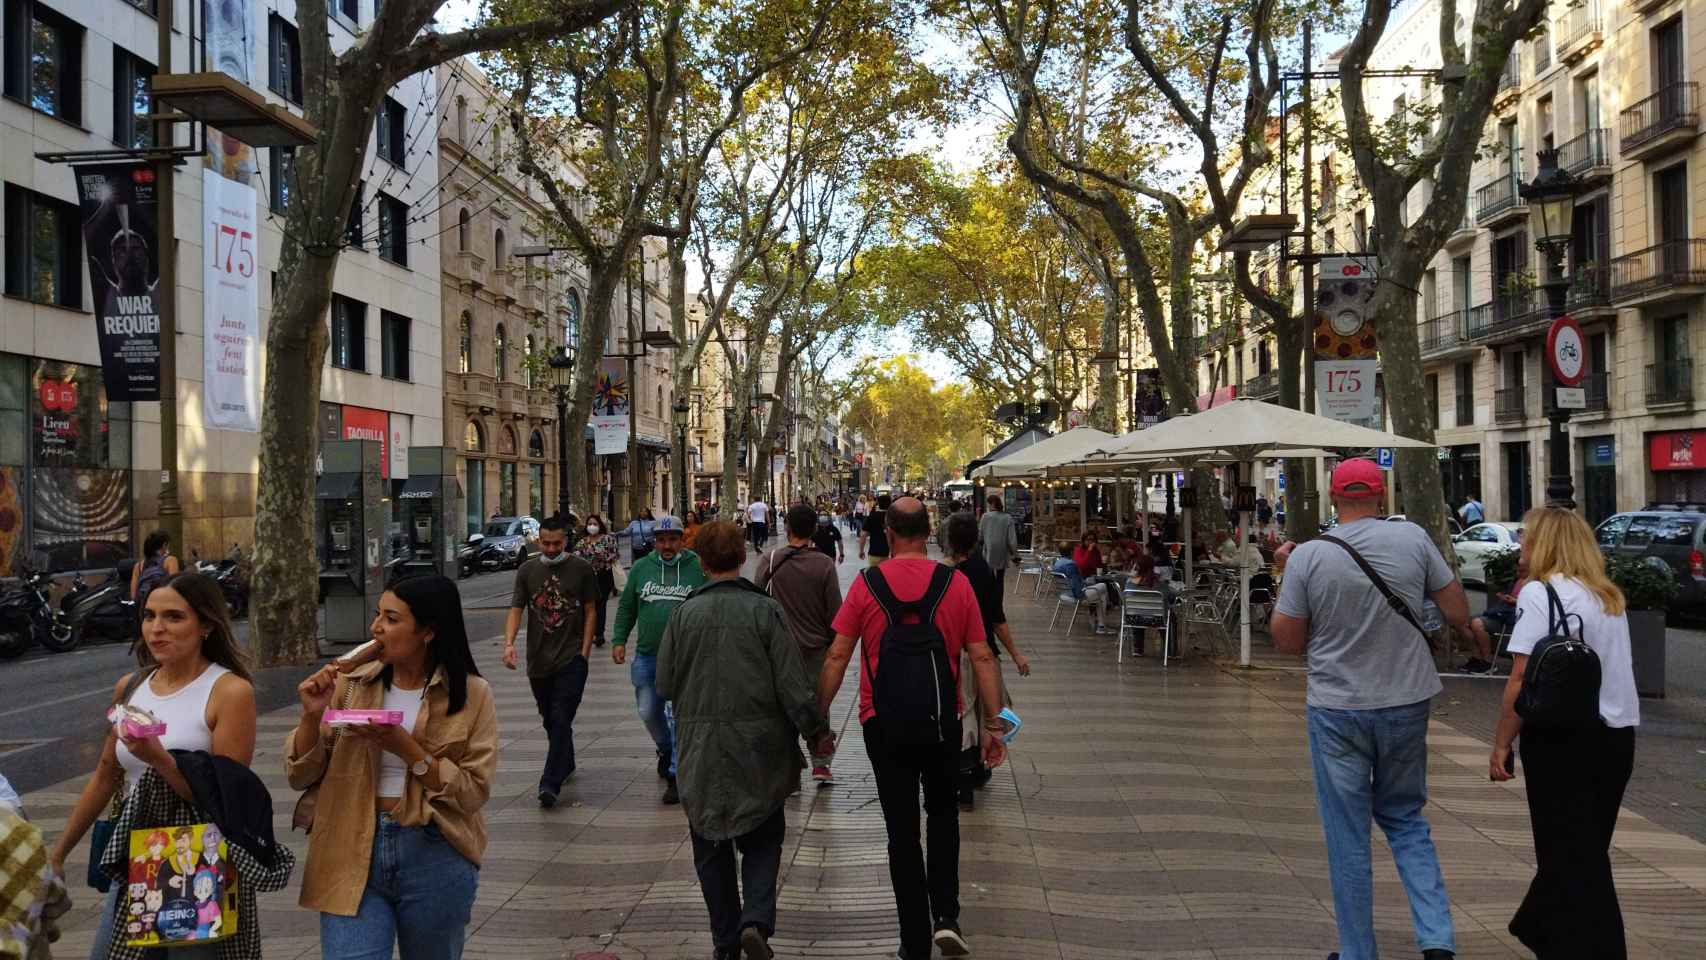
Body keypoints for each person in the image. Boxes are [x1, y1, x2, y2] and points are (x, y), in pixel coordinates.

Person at [1269, 459, 1473, 960]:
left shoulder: (1309, 556)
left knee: (1348, 837)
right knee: (1406, 819)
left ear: (1335, 499)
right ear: (1382, 497)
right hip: (1407, 700)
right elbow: (1456, 613)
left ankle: (1359, 952)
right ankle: (1437, 940)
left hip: (1337, 707)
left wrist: (1283, 575)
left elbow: (1288, 641)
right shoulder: (1415, 540)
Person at [819, 498, 1007, 960]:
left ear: (888, 529)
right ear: (929, 531)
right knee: (943, 816)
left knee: (902, 833)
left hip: (882, 724)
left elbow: (837, 655)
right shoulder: (956, 584)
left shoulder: (867, 586)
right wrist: (994, 727)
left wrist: (817, 721)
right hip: (942, 723)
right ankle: (946, 915)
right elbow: (982, 657)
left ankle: (914, 940)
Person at [287, 575, 495, 960]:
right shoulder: (350, 683)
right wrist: (309, 718)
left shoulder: (471, 693)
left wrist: (407, 749)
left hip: (434, 849)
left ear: (428, 631)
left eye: (391, 618)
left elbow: (473, 791)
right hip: (347, 846)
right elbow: (300, 775)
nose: (375, 628)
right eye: (377, 615)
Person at [50, 573, 256, 960]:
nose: (157, 629)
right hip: (136, 854)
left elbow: (227, 798)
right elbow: (106, 775)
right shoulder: (131, 687)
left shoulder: (229, 692)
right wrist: (58, 853)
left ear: (206, 625)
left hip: (198, 860)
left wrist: (158, 758)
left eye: (174, 617)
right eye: (149, 616)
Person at [658, 520, 835, 960]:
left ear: (700, 562)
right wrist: (816, 732)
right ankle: (755, 920)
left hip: (701, 748)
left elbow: (663, 682)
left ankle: (725, 941)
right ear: (742, 558)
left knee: (710, 846)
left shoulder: (684, 614)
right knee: (762, 836)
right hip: (761, 746)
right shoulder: (765, 611)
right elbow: (794, 686)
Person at [1488, 507, 1640, 959]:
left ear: (1546, 544)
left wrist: (1501, 742)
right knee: (1586, 849)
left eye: (1527, 539)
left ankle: (1571, 941)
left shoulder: (1540, 593)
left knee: (1567, 854)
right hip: (1616, 737)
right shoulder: (1608, 597)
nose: (1521, 547)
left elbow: (1520, 678)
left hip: (1560, 739)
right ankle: (1548, 934)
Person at [503, 517, 599, 807]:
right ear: (538, 541)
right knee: (550, 718)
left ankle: (550, 783)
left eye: (557, 543)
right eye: (546, 543)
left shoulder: (582, 569)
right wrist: (508, 644)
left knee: (560, 716)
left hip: (571, 658)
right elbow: (517, 607)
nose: (551, 548)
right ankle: (565, 761)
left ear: (565, 541)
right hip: (539, 659)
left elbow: (591, 610)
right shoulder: (527, 570)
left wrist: (584, 652)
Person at [612, 515, 705, 805]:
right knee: (648, 709)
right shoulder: (641, 568)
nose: (667, 545)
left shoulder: (697, 568)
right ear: (655, 542)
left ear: (682, 540)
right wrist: (618, 640)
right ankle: (666, 748)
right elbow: (627, 606)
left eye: (673, 539)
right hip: (648, 654)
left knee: (677, 715)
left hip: (685, 655)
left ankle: (676, 774)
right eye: (662, 540)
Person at [941, 512, 1029, 811]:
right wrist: (1015, 654)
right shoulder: (984, 569)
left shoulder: (948, 576)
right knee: (985, 716)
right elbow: (997, 618)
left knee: (965, 716)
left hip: (962, 656)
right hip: (987, 655)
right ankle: (979, 771)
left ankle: (965, 779)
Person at [755, 505, 844, 784]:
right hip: (815, 652)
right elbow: (835, 613)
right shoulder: (824, 564)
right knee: (818, 705)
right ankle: (821, 763)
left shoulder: (769, 561)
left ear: (787, 528)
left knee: (782, 708)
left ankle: (788, 769)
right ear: (815, 529)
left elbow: (756, 602)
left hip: (778, 651)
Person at [573, 514, 619, 647]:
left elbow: (614, 555)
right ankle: (586, 632)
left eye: (595, 524)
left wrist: (600, 557)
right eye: (590, 524)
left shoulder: (608, 539)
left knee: (601, 604)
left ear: (600, 525)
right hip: (587, 577)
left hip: (604, 575)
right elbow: (577, 557)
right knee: (588, 605)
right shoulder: (582, 542)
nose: (592, 526)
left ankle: (599, 634)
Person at [1050, 544, 1112, 634]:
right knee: (1102, 587)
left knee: (1100, 595)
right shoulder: (1071, 564)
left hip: (1063, 594)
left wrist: (1085, 582)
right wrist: (1081, 598)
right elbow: (1075, 584)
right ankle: (1101, 625)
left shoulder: (1057, 562)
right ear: (1071, 552)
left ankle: (1099, 623)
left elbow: (1072, 580)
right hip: (1074, 595)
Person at [978, 495, 1019, 592]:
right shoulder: (1007, 517)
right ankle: (999, 597)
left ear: (992, 504)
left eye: (988, 503)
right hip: (1002, 551)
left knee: (989, 575)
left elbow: (980, 535)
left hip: (988, 550)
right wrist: (1015, 555)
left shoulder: (985, 517)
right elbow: (1012, 539)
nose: (987, 506)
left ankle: (992, 597)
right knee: (1000, 578)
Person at [129, 530, 181, 604]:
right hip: (163, 604)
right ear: (164, 545)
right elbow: (174, 586)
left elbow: (133, 595)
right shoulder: (170, 560)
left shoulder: (138, 566)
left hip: (144, 608)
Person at [860, 494, 891, 566]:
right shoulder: (894, 517)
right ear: (890, 503)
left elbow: (863, 535)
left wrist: (861, 551)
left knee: (875, 575)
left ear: (878, 504)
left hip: (875, 552)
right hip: (891, 554)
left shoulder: (872, 516)